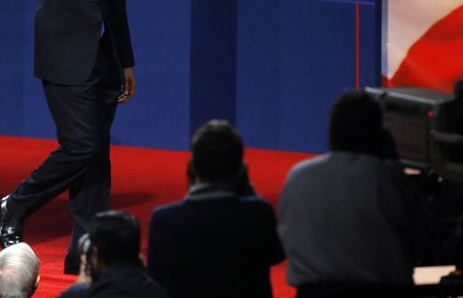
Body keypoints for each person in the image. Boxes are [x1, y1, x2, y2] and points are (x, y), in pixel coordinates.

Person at [0, 0, 136, 275]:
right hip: (63, 53)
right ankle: (15, 203)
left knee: (97, 159)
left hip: (104, 60)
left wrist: (126, 60)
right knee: (82, 145)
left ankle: (84, 253)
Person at [277, 90, 427, 297]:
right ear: (379, 134)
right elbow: (420, 240)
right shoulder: (387, 178)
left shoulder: (298, 176)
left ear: (332, 131)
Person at [147, 119, 285, 298]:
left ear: (193, 167)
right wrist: (248, 192)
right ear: (240, 169)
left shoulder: (163, 221)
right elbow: (276, 255)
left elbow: (156, 278)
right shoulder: (258, 214)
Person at [59, 210, 167, 298]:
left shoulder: (80, 294)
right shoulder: (163, 292)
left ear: (95, 254)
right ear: (138, 254)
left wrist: (80, 286)